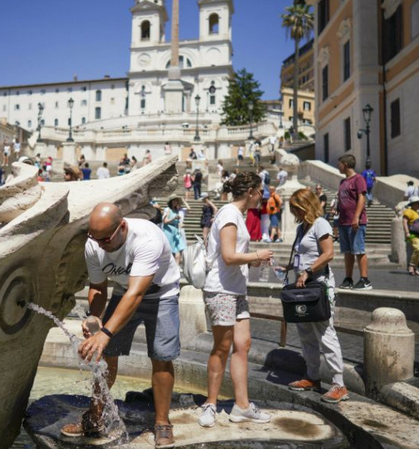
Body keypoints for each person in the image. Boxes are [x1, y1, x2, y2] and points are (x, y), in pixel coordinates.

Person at [66, 203, 181, 448]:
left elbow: (136, 294)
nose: (100, 245)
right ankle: (94, 417)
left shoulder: (147, 238)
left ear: (122, 227)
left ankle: (162, 422)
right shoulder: (94, 243)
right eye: (94, 239)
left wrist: (106, 332)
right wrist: (95, 317)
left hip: (161, 294)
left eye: (105, 239)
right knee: (106, 355)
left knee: (161, 356)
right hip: (124, 291)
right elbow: (98, 287)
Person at [198, 171, 274, 428]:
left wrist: (254, 258)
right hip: (221, 289)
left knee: (243, 344)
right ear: (251, 191)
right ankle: (210, 403)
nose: (262, 195)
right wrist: (257, 255)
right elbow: (229, 256)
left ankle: (242, 406)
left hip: (235, 289)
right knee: (222, 347)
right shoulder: (230, 214)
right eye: (260, 190)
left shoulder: (236, 215)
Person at [279, 189, 349, 404]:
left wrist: (308, 271)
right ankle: (312, 377)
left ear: (306, 205)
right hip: (303, 286)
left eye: (296, 209)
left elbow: (328, 254)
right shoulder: (302, 228)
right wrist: (289, 266)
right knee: (306, 333)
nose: (294, 213)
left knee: (325, 333)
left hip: (318, 285)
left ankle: (339, 384)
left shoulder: (321, 224)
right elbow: (305, 254)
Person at [336, 155, 371, 290]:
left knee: (359, 250)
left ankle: (364, 279)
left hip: (356, 221)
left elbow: (362, 198)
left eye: (339, 164)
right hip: (344, 221)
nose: (338, 166)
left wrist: (356, 217)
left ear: (345, 164)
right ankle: (348, 278)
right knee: (348, 251)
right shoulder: (342, 182)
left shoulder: (358, 179)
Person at [402, 196, 419, 276]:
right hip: (413, 235)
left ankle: (414, 268)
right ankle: (411, 265)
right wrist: (407, 232)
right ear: (413, 204)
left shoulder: (418, 213)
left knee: (415, 252)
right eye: (417, 203)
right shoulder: (409, 211)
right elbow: (404, 222)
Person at [162, 197, 187, 265]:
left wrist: (180, 224)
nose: (175, 202)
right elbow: (165, 221)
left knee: (178, 249)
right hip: (168, 231)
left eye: (176, 201)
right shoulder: (167, 210)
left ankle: (177, 268)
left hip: (176, 231)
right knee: (169, 250)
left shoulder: (176, 210)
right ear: (171, 202)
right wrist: (174, 218)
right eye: (174, 201)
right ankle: (169, 267)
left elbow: (177, 221)